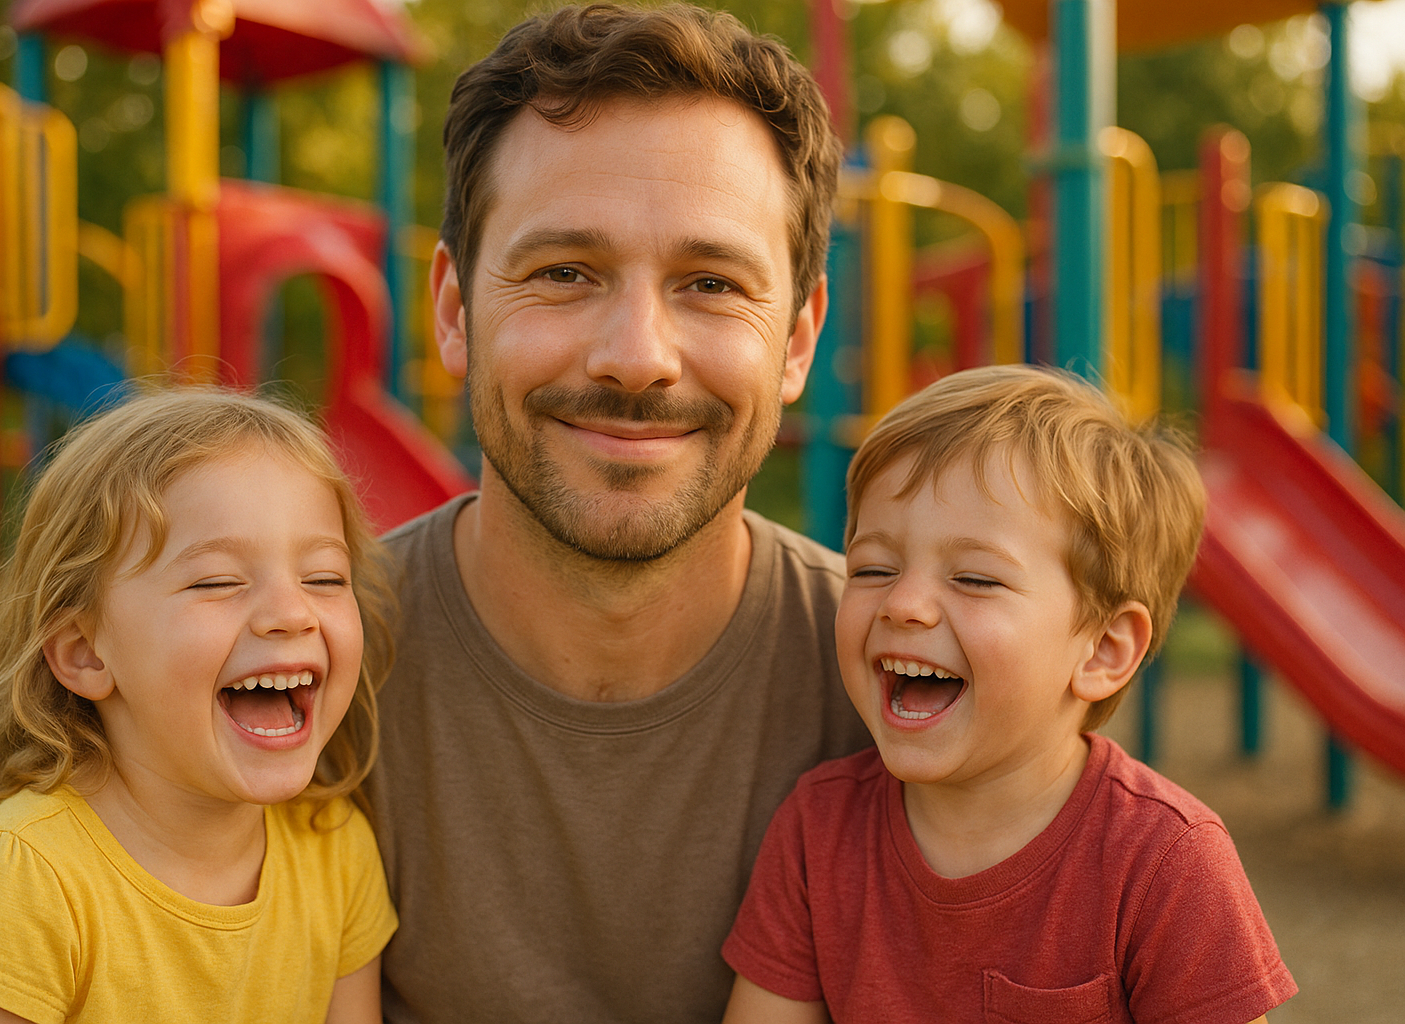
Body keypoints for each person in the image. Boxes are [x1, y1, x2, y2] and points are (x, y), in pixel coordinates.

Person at [368, 4, 868, 1022]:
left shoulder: (908, 690)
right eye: (563, 273)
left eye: (711, 283)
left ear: (798, 340)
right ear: (456, 309)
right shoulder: (293, 673)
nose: (636, 355)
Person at [720, 364, 1298, 1023]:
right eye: (874, 568)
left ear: (1103, 650)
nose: (904, 604)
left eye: (974, 578)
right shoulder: (816, 831)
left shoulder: (1167, 862)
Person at [0, 389, 396, 1023]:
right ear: (84, 654)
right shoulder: (19, 882)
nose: (292, 613)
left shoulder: (335, 849)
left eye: (324, 578)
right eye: (216, 581)